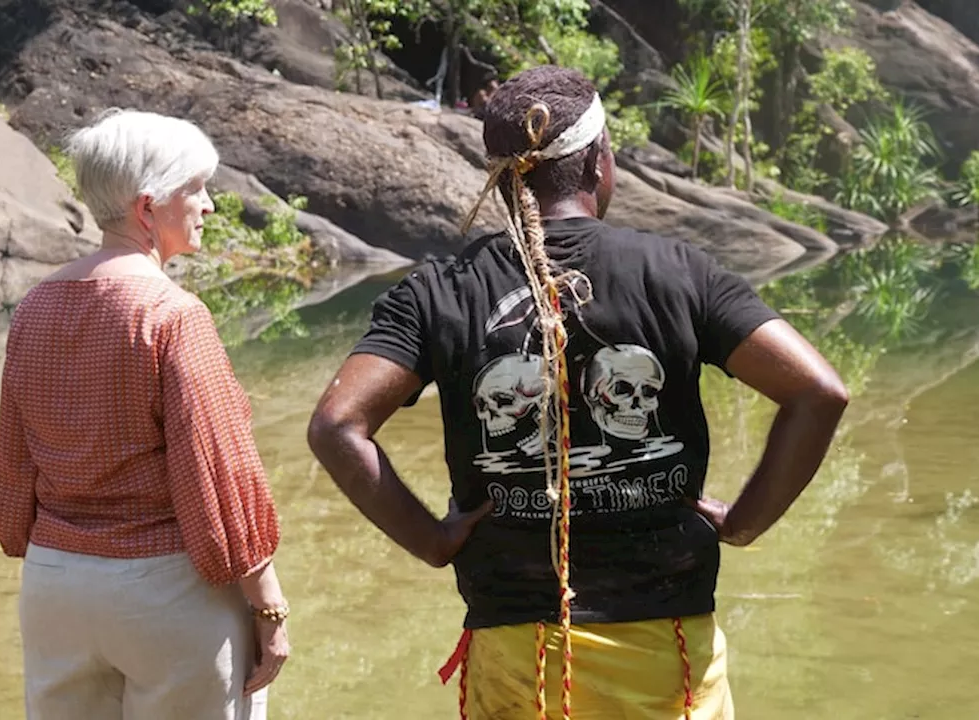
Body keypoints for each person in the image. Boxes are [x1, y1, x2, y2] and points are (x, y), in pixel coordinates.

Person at [306, 66, 849, 719]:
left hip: (516, 650)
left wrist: (430, 539)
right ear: (597, 163)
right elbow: (817, 392)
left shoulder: (439, 290)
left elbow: (338, 426)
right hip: (662, 645)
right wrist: (746, 523)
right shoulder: (679, 273)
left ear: (501, 177)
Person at [0, 108, 290, 720]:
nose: (208, 206)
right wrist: (269, 608)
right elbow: (220, 479)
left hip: (54, 588)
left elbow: (12, 475)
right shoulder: (172, 315)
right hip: (166, 592)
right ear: (147, 208)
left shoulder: (34, 309)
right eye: (196, 189)